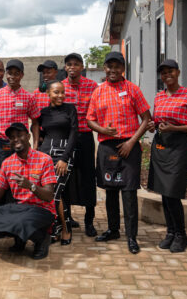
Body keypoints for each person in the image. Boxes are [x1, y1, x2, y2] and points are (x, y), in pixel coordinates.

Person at [86, 51, 151, 254]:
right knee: (110, 190)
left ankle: (132, 237)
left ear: (123, 68)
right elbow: (89, 119)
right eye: (109, 66)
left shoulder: (132, 89)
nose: (113, 70)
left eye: (117, 66)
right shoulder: (98, 92)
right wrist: (102, 130)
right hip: (107, 147)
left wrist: (132, 142)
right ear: (104, 68)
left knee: (129, 192)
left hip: (129, 147)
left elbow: (146, 119)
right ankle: (113, 230)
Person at [0, 123, 57, 260]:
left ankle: (42, 239)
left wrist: (31, 186)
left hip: (42, 209)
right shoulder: (7, 163)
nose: (16, 139)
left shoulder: (44, 159)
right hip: (19, 209)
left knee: (20, 221)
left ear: (28, 136)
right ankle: (19, 237)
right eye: (12, 137)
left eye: (19, 135)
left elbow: (49, 196)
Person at [147, 59, 187, 253]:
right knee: (164, 193)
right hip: (161, 145)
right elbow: (157, 121)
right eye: (163, 73)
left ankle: (181, 235)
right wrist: (153, 125)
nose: (167, 75)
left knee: (172, 192)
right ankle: (170, 233)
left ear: (178, 72)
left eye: (170, 71)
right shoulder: (159, 96)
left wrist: (175, 128)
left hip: (179, 147)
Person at [0, 59, 41, 181]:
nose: (13, 77)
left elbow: (35, 122)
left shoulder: (29, 97)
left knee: (19, 180)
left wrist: (35, 145)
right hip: (0, 145)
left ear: (22, 75)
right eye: (10, 73)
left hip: (21, 145)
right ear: (6, 74)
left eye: (17, 73)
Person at [61, 53, 99, 236]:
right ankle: (67, 218)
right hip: (67, 138)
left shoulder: (92, 86)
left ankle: (89, 221)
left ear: (82, 67)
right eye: (69, 64)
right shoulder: (60, 87)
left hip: (85, 137)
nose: (72, 67)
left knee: (88, 178)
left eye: (76, 64)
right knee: (66, 178)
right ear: (65, 67)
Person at [37, 80, 78, 245]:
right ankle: (55, 228)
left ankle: (66, 229)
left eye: (62, 92)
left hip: (63, 155)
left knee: (54, 192)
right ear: (48, 93)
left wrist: (64, 159)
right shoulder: (43, 112)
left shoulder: (70, 109)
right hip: (46, 155)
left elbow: (74, 134)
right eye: (56, 92)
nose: (60, 95)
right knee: (51, 193)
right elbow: (41, 134)